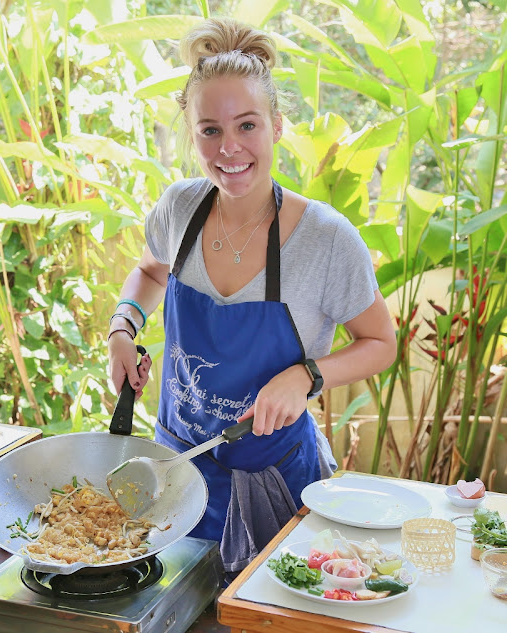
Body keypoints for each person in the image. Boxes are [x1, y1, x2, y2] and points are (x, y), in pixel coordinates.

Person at [107, 17, 397, 573]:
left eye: (247, 125)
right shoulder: (179, 208)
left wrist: (306, 375)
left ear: (277, 126)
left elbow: (380, 342)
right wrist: (124, 327)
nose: (230, 148)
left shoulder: (326, 239)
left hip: (274, 482)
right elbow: (149, 271)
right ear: (191, 134)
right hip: (178, 469)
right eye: (210, 130)